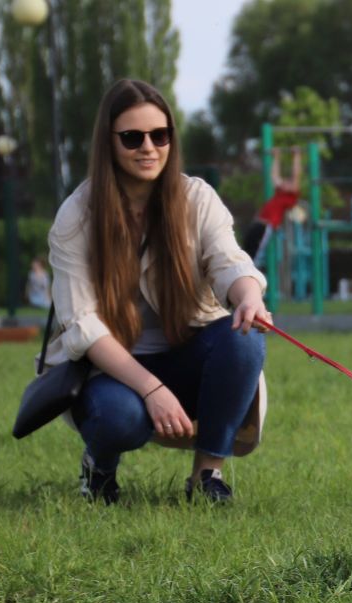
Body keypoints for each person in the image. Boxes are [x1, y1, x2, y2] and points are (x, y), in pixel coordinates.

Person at [44, 78, 269, 505]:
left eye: (159, 135)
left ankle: (206, 477)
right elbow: (83, 326)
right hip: (111, 367)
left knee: (244, 337)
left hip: (187, 351)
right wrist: (151, 389)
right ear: (108, 143)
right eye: (132, 137)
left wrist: (248, 297)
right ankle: (101, 467)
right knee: (119, 419)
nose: (148, 147)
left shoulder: (197, 198)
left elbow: (229, 261)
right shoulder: (75, 216)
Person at [241, 147, 303, 264]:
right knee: (246, 247)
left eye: (288, 182)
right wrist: (276, 157)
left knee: (254, 252)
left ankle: (249, 274)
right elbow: (274, 176)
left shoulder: (291, 196)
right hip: (258, 223)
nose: (285, 182)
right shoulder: (280, 193)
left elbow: (296, 175)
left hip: (266, 226)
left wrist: (296, 157)